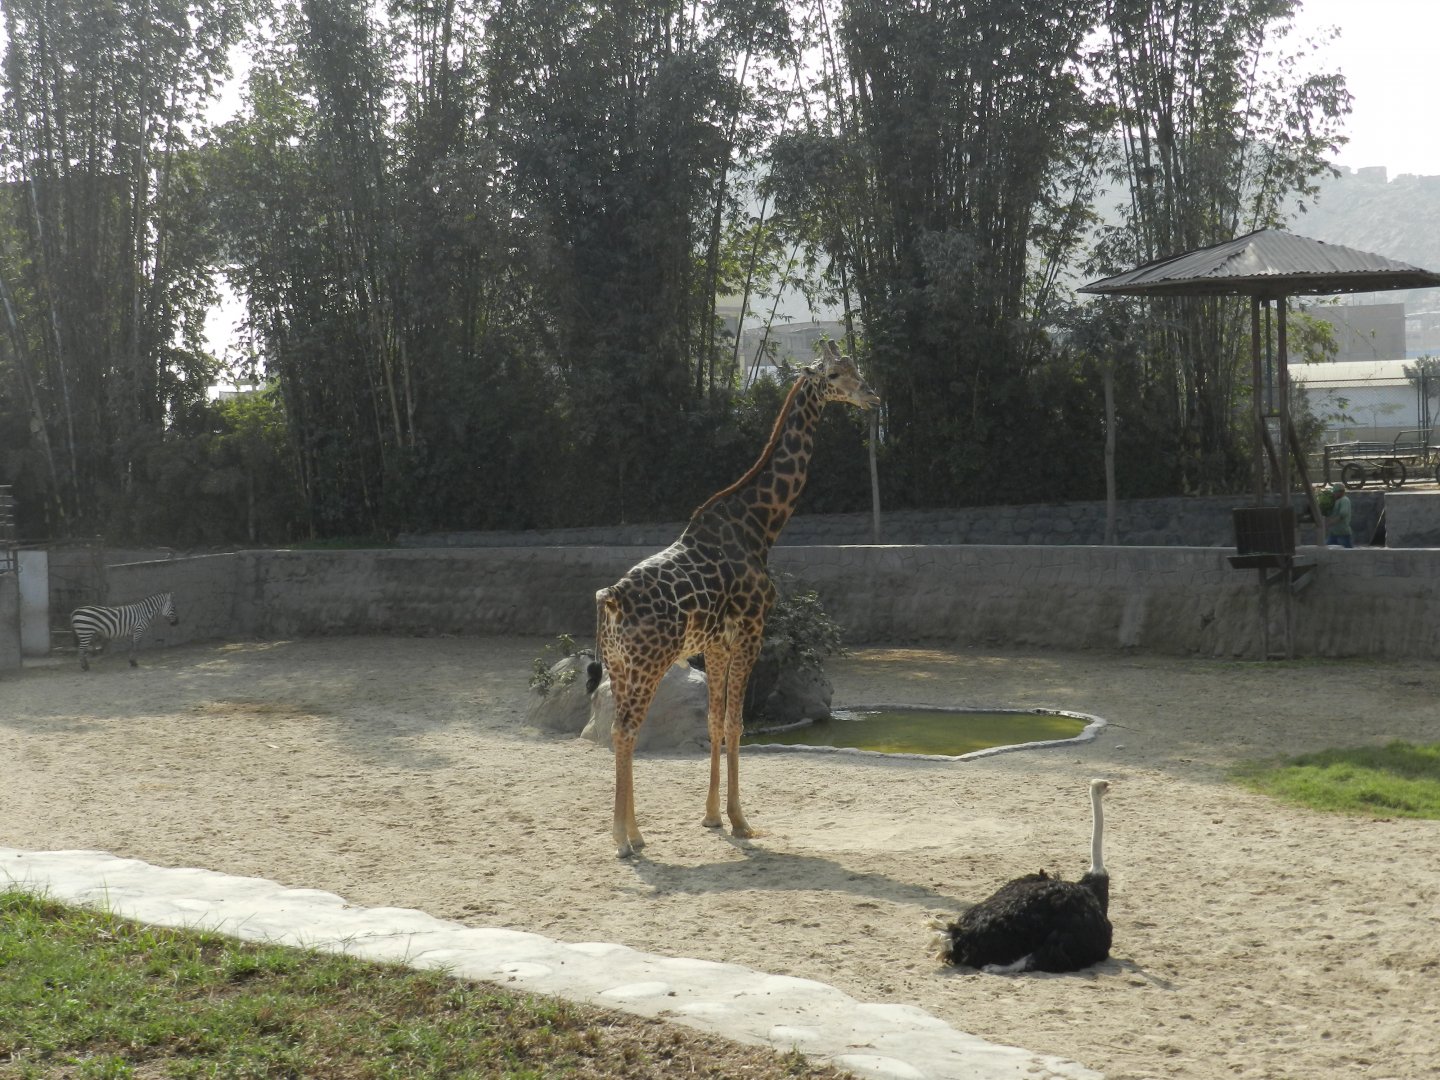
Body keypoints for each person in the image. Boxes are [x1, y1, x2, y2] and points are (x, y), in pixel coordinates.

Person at [1324, 481, 1353, 548]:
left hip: (1343, 533)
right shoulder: (1337, 501)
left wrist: (1330, 523)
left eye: (1335, 492)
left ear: (1340, 492)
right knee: (1327, 550)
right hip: (1334, 533)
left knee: (1347, 554)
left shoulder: (1344, 500)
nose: (1333, 494)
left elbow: (1342, 514)